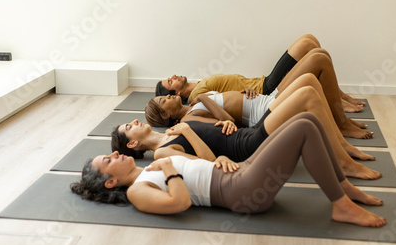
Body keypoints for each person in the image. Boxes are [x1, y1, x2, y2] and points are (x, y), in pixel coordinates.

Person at [71, 113, 387, 228]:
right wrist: (169, 169)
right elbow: (179, 203)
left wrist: (218, 161)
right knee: (303, 126)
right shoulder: (139, 191)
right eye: (108, 160)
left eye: (112, 152)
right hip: (242, 193)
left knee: (308, 119)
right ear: (111, 181)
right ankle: (341, 205)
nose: (114, 153)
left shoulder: (153, 165)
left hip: (237, 172)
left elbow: (204, 163)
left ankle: (342, 186)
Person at [112, 83, 381, 179]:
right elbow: (207, 163)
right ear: (133, 145)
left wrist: (227, 122)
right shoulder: (162, 153)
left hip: (243, 133)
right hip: (248, 145)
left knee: (308, 82)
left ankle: (343, 147)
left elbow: (217, 126)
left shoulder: (173, 130)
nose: (134, 122)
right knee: (308, 95)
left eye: (131, 121)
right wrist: (189, 132)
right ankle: (345, 163)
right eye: (129, 127)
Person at [156, 34, 365, 114]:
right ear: (175, 92)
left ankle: (338, 96)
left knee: (312, 44)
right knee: (308, 44)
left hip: (263, 81)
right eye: (169, 81)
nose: (174, 76)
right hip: (266, 89)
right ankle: (337, 100)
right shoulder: (195, 97)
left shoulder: (199, 85)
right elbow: (225, 105)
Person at [148, 73, 373, 140]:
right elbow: (228, 122)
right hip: (263, 112)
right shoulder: (192, 117)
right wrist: (205, 99)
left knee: (317, 59)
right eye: (164, 99)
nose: (167, 97)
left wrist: (245, 92)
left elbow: (230, 103)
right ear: (167, 113)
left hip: (261, 99)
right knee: (309, 82)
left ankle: (342, 122)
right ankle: (341, 129)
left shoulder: (195, 105)